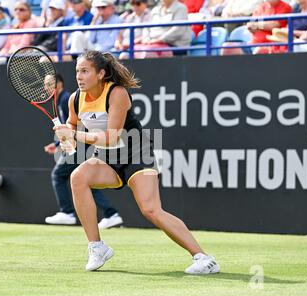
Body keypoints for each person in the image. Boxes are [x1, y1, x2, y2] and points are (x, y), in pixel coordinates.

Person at [53, 50, 220, 274]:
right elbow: (73, 125)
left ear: (101, 73)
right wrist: (67, 136)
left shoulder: (117, 93)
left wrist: (76, 136)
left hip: (138, 155)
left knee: (151, 210)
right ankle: (97, 247)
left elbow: (112, 136)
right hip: (106, 159)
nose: (79, 76)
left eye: (85, 71)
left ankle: (204, 258)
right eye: (77, 72)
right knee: (78, 177)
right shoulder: (76, 99)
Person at [44, 73, 124, 229]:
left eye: (49, 84)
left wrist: (72, 140)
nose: (46, 88)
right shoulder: (62, 99)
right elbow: (70, 127)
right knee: (84, 181)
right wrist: (58, 143)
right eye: (45, 84)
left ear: (59, 84)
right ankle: (111, 213)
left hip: (82, 145)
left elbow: (77, 125)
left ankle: (67, 212)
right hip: (82, 143)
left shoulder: (68, 98)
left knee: (58, 175)